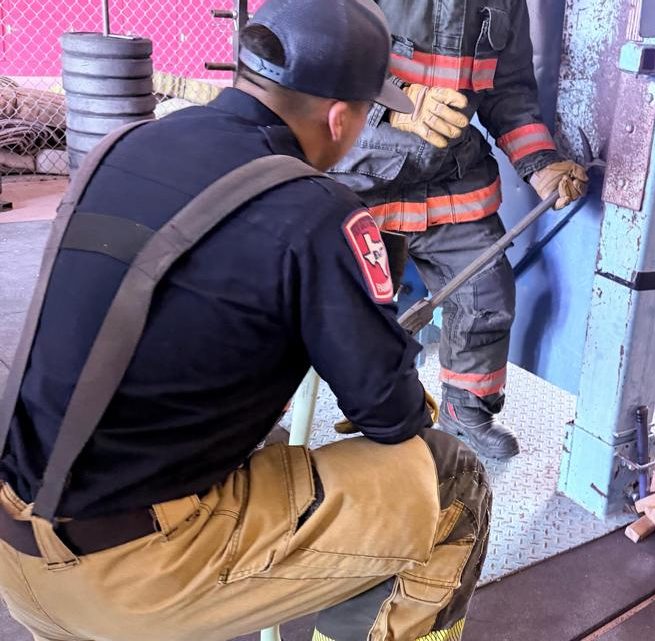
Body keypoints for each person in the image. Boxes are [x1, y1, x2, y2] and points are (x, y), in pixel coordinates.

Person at [0, 1, 489, 640]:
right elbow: (390, 417)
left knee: (272, 446)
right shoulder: (315, 213)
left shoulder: (126, 144)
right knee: (449, 478)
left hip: (16, 542)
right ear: (342, 118)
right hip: (128, 578)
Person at [332, 0, 589, 460]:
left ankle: (465, 410)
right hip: (359, 176)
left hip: (452, 179)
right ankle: (350, 403)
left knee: (486, 296)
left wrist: (541, 164)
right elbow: (310, 68)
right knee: (346, 310)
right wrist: (392, 109)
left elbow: (508, 93)